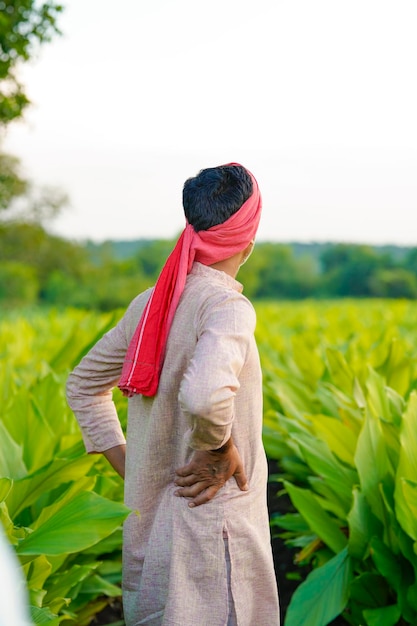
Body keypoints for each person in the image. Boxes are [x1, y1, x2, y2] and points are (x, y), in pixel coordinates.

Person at [66, 163, 280, 626]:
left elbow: (82, 387)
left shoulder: (151, 303)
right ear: (249, 237)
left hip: (154, 533)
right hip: (214, 541)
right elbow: (205, 396)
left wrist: (136, 471)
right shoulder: (227, 306)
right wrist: (219, 449)